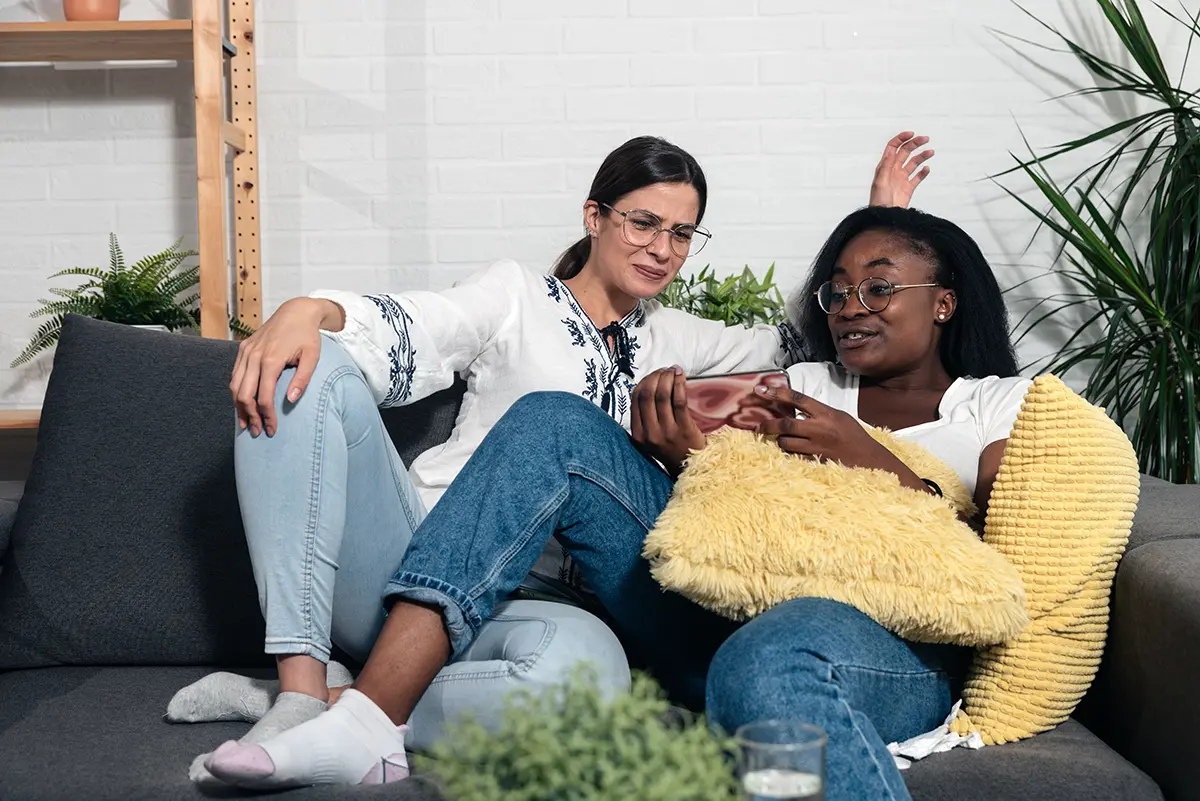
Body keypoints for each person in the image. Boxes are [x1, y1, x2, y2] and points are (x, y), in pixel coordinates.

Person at [172, 134, 936, 783]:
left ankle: (355, 702)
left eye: (681, 233)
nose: (661, 248)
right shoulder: (515, 296)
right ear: (595, 217)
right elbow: (417, 325)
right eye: (643, 222)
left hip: (539, 610)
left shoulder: (677, 338)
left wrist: (885, 223)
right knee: (310, 367)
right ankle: (300, 691)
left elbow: (813, 338)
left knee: (588, 691)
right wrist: (309, 310)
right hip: (406, 561)